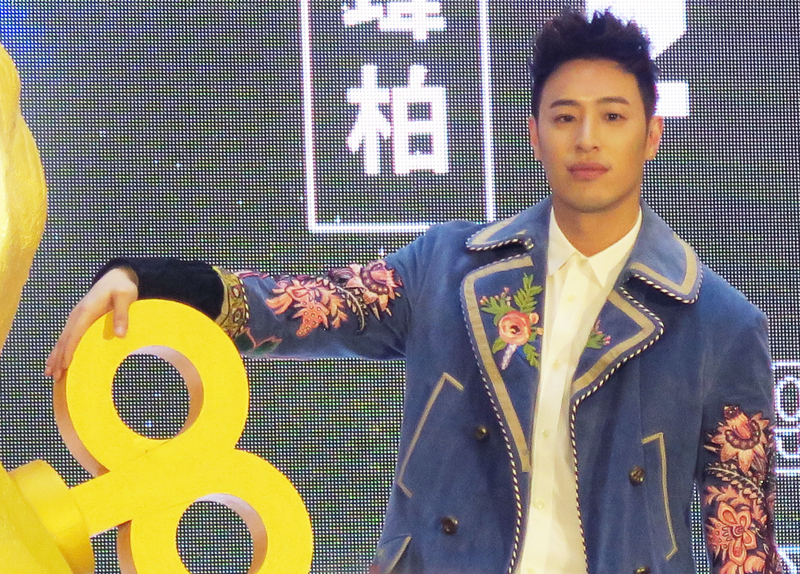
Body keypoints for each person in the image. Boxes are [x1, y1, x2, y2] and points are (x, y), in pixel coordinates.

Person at [46, 9, 780, 574]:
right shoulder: (449, 267)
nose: (587, 138)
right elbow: (308, 304)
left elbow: (741, 538)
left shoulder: (716, 323)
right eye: (566, 116)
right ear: (534, 135)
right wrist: (151, 283)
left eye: (613, 116)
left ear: (651, 135)